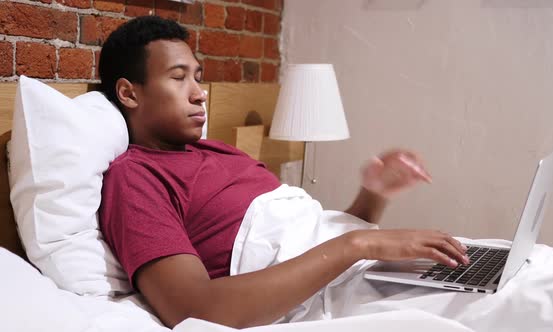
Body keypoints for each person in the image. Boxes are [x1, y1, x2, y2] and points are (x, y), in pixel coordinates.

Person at [98, 16, 470, 329]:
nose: (200, 93)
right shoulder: (136, 177)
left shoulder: (216, 150)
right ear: (130, 94)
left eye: (197, 77)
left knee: (507, 278)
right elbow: (194, 311)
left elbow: (304, 243)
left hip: (362, 273)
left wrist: (373, 196)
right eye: (179, 78)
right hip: (336, 300)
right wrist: (361, 244)